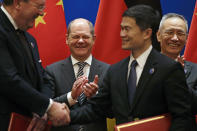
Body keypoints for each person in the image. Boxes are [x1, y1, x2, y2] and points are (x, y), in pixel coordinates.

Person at [69, 5, 195, 131]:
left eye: (128, 29)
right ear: (158, 35)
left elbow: (182, 117)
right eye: (122, 29)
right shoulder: (115, 71)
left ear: (146, 33)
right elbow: (99, 110)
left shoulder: (170, 69)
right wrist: (63, 115)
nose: (122, 34)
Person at [0, 0, 70, 130]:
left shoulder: (30, 39)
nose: (42, 13)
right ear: (18, 3)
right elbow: (7, 79)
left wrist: (41, 111)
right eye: (39, 6)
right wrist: (48, 106)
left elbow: (43, 80)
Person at [45, 18, 109, 131]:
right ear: (67, 39)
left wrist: (97, 97)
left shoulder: (108, 70)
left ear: (93, 39)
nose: (80, 41)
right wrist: (71, 97)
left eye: (85, 37)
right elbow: (46, 108)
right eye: (75, 37)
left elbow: (113, 111)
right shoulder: (51, 71)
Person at [156, 13, 197, 127]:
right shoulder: (143, 67)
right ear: (158, 35)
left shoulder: (195, 71)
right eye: (169, 33)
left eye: (180, 33)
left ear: (187, 38)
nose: (175, 38)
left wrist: (179, 80)